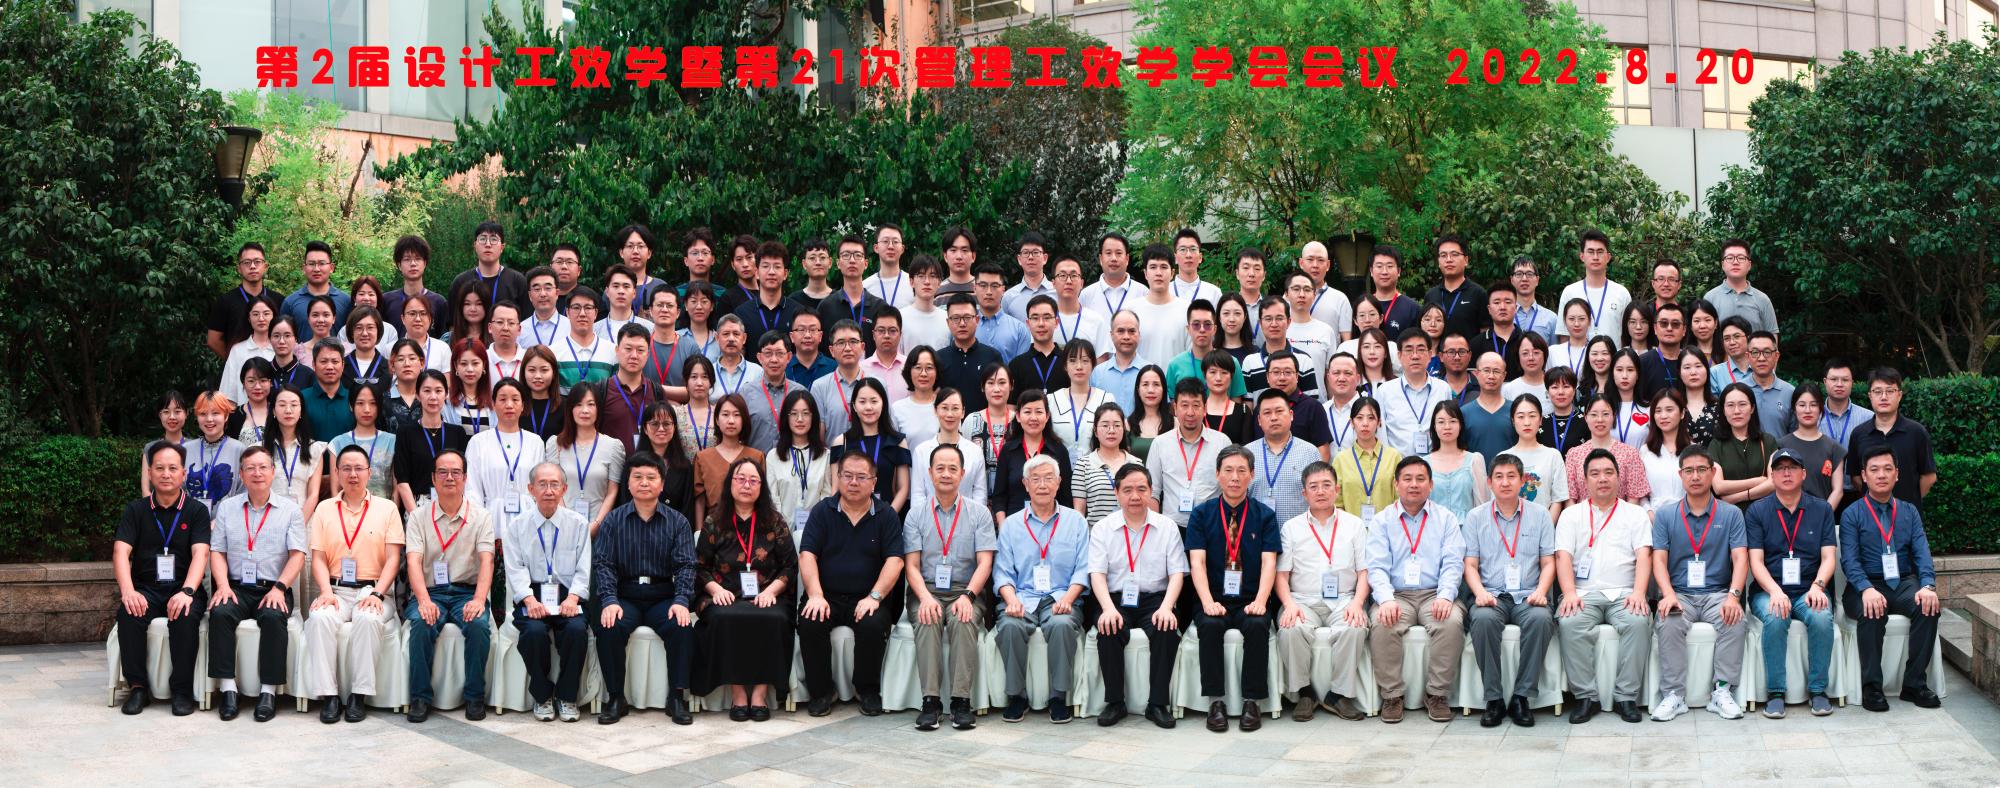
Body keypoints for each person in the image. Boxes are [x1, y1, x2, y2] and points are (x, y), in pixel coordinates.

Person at [591, 453, 698, 725]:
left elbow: (686, 565)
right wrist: (609, 599)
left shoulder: (678, 522)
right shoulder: (613, 521)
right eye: (637, 477)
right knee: (609, 626)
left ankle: (677, 697)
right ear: (628, 483)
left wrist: (681, 600)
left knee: (682, 626)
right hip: (625, 596)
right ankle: (616, 697)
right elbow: (603, 564)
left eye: (651, 477)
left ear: (662, 484)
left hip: (662, 596)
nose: (644, 483)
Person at [798, 451, 907, 717]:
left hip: (868, 596)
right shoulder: (822, 511)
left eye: (861, 477)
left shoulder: (886, 515)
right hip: (827, 595)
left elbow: (895, 561)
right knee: (811, 620)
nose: (853, 482)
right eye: (847, 476)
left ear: (874, 481)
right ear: (838, 477)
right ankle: (822, 692)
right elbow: (807, 555)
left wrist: (875, 596)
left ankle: (866, 690)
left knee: (872, 623)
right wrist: (815, 594)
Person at [1553, 448, 1656, 724]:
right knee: (1569, 622)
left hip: (1624, 593)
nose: (1602, 479)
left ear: (1619, 478)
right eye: (1595, 474)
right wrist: (1569, 593)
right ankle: (1586, 697)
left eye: (1609, 473)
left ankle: (1626, 696)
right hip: (1582, 594)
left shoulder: (1635, 514)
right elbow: (1563, 556)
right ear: (1585, 480)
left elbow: (1644, 555)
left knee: (1638, 622)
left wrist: (1639, 592)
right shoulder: (1571, 515)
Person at [303, 445, 404, 723]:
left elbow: (393, 559)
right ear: (336, 473)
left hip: (374, 590)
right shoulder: (324, 509)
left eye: (359, 468)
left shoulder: (387, 508)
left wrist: (378, 594)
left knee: (368, 618)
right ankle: (329, 695)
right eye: (346, 468)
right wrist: (326, 591)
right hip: (335, 590)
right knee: (319, 617)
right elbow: (318, 558)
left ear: (369, 473)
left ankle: (359, 695)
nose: (353, 474)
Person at [1649, 445, 1750, 721]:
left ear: (1713, 473)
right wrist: (1668, 594)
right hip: (1680, 593)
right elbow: (1659, 560)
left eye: (1702, 470)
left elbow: (1740, 558)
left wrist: (1733, 596)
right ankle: (1674, 695)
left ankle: (1722, 691)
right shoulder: (1666, 515)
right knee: (1668, 621)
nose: (1695, 476)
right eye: (1689, 471)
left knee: (1735, 619)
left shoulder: (1731, 514)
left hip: (1718, 593)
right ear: (1680, 475)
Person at [693, 457, 799, 722]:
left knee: (775, 618)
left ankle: (760, 694)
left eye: (753, 480)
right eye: (740, 479)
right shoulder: (714, 521)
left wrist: (771, 592)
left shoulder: (774, 521)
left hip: (767, 594)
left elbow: (790, 566)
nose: (746, 485)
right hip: (724, 595)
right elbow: (699, 566)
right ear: (730, 483)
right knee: (723, 617)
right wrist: (715, 590)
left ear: (762, 487)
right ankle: (738, 693)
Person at [204, 446, 306, 722]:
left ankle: (268, 692)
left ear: (272, 472)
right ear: (241, 474)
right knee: (220, 613)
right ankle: (228, 689)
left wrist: (280, 589)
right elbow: (217, 551)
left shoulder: (290, 510)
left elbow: (297, 555)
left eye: (263, 467)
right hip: (236, 586)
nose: (257, 473)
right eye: (250, 468)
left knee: (273, 617)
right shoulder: (227, 508)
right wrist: (222, 586)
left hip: (274, 587)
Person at [1839, 446, 1943, 711]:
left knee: (1928, 607)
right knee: (1872, 610)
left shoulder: (1909, 511)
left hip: (1904, 582)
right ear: (1864, 476)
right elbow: (1849, 560)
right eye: (1874, 470)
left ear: (1897, 474)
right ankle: (1872, 688)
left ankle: (1914, 684)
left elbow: (1922, 553)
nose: (1881, 475)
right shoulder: (1852, 513)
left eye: (1888, 469)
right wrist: (1865, 589)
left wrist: (1928, 585)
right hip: (1866, 584)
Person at [900, 445, 996, 731]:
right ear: (930, 473)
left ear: (962, 474)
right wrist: (925, 598)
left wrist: (968, 596)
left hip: (965, 589)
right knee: (928, 619)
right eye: (940, 468)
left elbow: (985, 563)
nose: (946, 474)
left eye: (952, 469)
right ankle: (930, 702)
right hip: (926, 589)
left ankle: (960, 702)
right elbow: (912, 566)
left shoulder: (980, 514)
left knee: (963, 619)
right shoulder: (915, 515)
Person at [1365, 456, 1467, 724]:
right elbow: (1376, 567)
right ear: (1396, 484)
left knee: (1450, 622)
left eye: (1420, 479)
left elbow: (1453, 562)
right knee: (1383, 622)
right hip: (1397, 595)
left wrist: (1445, 595)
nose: (1414, 484)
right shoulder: (1382, 521)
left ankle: (1437, 694)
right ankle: (1392, 695)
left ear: (1431, 485)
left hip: (1434, 592)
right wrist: (1385, 600)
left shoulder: (1445, 519)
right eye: (1407, 479)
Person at [1187, 446, 1282, 732]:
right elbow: (1197, 562)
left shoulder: (1264, 515)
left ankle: (1252, 701)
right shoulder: (1201, 514)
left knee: (1257, 625)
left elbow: (1269, 562)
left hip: (1250, 597)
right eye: (1228, 470)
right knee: (1210, 625)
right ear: (1217, 474)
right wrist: (1207, 602)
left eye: (1242, 471)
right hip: (1213, 596)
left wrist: (1261, 601)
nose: (1235, 477)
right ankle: (1215, 702)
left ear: (1252, 475)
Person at [114, 442, 213, 716]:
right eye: (159, 468)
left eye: (172, 468)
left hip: (183, 587)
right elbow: (120, 551)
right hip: (146, 588)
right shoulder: (136, 510)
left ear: (183, 473)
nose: (166, 474)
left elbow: (201, 553)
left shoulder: (196, 511)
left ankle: (181, 690)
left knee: (184, 616)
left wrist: (188, 591)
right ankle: (138, 688)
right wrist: (128, 591)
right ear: (149, 473)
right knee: (129, 613)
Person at [1087, 465, 1188, 729]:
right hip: (1115, 598)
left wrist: (1167, 607)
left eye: (1141, 489)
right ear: (1116, 492)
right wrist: (1107, 609)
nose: (1135, 496)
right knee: (1108, 628)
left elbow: (1177, 573)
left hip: (1156, 598)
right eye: (1128, 490)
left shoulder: (1167, 527)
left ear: (1151, 491)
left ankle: (1157, 704)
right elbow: (1097, 574)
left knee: (1166, 629)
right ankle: (1115, 702)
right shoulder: (1103, 528)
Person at [1460, 455, 1557, 727]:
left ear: (1522, 480)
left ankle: (1521, 697)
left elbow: (1549, 562)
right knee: (1482, 620)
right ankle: (1494, 698)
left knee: (1541, 619)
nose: (1505, 482)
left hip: (1529, 595)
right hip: (1491, 595)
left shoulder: (1539, 515)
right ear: (1489, 482)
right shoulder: (1476, 517)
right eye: (1499, 477)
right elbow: (1470, 564)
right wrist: (1479, 592)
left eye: (1511, 476)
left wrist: (1541, 591)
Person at [400, 450, 496, 723]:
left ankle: (474, 697)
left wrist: (479, 599)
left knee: (478, 626)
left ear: (465, 478)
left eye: (456, 472)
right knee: (422, 624)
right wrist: (423, 601)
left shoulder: (481, 516)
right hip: (431, 592)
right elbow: (413, 561)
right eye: (443, 472)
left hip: (467, 592)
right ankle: (420, 697)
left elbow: (487, 561)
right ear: (433, 478)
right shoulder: (419, 517)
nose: (449, 477)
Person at [1744, 449, 1838, 719]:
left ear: (1804, 474)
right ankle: (1776, 693)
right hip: (1769, 590)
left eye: (1793, 467)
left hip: (1810, 589)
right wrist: (1775, 591)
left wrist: (1818, 586)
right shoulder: (1757, 511)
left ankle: (1818, 690)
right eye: (1780, 468)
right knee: (1776, 616)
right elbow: (1755, 561)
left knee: (1821, 617)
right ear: (1772, 475)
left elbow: (1829, 557)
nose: (1786, 473)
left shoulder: (1821, 509)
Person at [1272, 462, 1369, 722]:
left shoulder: (1355, 525)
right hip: (1302, 601)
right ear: (1304, 493)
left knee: (1355, 627)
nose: (1321, 491)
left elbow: (1364, 571)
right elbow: (1281, 575)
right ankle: (1305, 693)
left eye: (1327, 485)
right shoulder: (1291, 527)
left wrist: (1358, 603)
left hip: (1344, 599)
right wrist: (1289, 605)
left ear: (1337, 489)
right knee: (1290, 629)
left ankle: (1338, 694)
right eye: (1313, 487)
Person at [503, 462, 593, 723]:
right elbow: (516, 569)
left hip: (567, 595)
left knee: (576, 630)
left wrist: (573, 598)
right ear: (531, 489)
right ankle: (542, 695)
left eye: (555, 484)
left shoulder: (578, 524)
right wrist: (529, 599)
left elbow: (583, 568)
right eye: (542, 484)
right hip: (532, 593)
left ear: (564, 489)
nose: (549, 490)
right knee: (533, 633)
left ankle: (567, 696)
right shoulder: (517, 526)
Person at [1848, 367, 1938, 509]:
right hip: (1870, 514)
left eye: (1890, 391)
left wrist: (1908, 503)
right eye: (1878, 391)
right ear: (1870, 396)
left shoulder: (1917, 432)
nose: (1884, 397)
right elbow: (1856, 478)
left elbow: (1929, 477)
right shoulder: (1859, 434)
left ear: (1899, 395)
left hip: (1907, 515)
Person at [1148, 379, 1232, 529]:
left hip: (1212, 526)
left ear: (1205, 408)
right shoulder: (1160, 444)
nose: (1190, 412)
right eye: (1184, 405)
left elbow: (1229, 487)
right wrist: (1157, 530)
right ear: (1175, 408)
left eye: (1196, 405)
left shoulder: (1222, 442)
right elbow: (1152, 492)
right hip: (1172, 528)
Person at [548, 385, 625, 532]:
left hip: (600, 528)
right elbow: (553, 487)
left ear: (598, 409)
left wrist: (596, 525)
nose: (585, 410)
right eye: (578, 404)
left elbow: (612, 492)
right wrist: (567, 522)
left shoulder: (613, 446)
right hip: (563, 527)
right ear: (570, 409)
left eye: (591, 404)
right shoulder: (555, 444)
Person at [465, 379, 544, 520]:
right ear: (493, 404)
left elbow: (540, 485)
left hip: (528, 518)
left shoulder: (535, 442)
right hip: (490, 517)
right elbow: (472, 489)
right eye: (502, 399)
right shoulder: (478, 442)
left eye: (515, 399)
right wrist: (479, 522)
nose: (509, 405)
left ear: (523, 405)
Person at [393, 371, 471, 511]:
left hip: (453, 505)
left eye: (438, 391)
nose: (433, 397)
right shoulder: (405, 433)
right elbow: (402, 480)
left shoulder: (457, 433)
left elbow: (464, 476)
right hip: (417, 506)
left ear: (446, 394)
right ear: (418, 395)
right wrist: (415, 516)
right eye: (427, 391)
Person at [830, 379, 912, 511]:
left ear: (883, 404)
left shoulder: (897, 442)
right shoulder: (841, 442)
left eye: (874, 401)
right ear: (854, 406)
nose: (868, 407)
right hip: (850, 517)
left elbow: (903, 488)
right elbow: (836, 488)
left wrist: (888, 516)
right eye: (862, 402)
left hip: (887, 516)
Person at [992, 390, 1073, 521]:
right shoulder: (1008, 450)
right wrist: (1003, 526)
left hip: (1051, 524)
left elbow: (1066, 498)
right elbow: (999, 496)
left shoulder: (1059, 451)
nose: (1033, 417)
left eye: (1039, 412)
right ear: (1018, 416)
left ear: (1047, 416)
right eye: (1027, 412)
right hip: (1015, 524)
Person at [912, 387, 988, 517]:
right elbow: (918, 495)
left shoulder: (975, 451)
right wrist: (923, 521)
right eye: (944, 408)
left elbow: (979, 493)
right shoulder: (921, 451)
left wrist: (974, 520)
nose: (949, 414)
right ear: (935, 410)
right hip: (930, 520)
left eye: (955, 408)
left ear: (963, 412)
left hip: (966, 519)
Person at [1563, 396, 1652, 505]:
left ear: (1613, 416)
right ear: (1586, 417)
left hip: (1621, 514)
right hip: (1583, 515)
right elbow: (1571, 498)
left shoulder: (1630, 453)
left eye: (1605, 414)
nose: (1600, 420)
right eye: (1594, 415)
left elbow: (1634, 497)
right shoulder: (1574, 455)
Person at [1247, 390, 1318, 525]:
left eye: (1279, 411)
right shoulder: (1247, 454)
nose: (1274, 417)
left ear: (1291, 415)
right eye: (1267, 413)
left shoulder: (1310, 452)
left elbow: (1317, 498)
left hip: (1298, 534)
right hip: (1256, 533)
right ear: (1259, 420)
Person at [1378, 329, 1450, 456]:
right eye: (1409, 350)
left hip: (1435, 463)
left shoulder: (1443, 389)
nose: (1415, 356)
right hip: (1398, 464)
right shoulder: (1385, 391)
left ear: (1430, 354)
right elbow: (1381, 434)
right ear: (1399, 355)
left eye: (1421, 350)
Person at [767, 391, 831, 533]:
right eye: (794, 414)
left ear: (813, 417)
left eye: (806, 413)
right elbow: (773, 499)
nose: (800, 419)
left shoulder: (825, 456)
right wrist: (782, 531)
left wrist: (816, 529)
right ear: (786, 418)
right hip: (782, 533)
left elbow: (826, 496)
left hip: (817, 533)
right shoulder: (773, 456)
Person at [208, 242, 287, 357]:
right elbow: (213, 340)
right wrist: (234, 361)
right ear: (239, 268)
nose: (253, 266)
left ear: (265, 267)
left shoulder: (279, 300)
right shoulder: (225, 301)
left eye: (257, 261)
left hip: (273, 364)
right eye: (247, 262)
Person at [695, 395, 764, 520]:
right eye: (725, 414)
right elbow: (700, 498)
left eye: (737, 415)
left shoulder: (757, 456)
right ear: (717, 420)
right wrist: (699, 529)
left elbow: (762, 497)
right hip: (714, 525)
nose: (731, 421)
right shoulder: (703, 458)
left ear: (744, 420)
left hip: (749, 524)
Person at [598, 324, 666, 452]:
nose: (634, 355)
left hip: (647, 463)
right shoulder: (601, 390)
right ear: (617, 350)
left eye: (640, 350)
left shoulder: (656, 391)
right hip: (611, 463)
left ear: (648, 354)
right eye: (628, 349)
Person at [1780, 384, 1848, 510]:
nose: (1808, 410)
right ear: (1794, 409)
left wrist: (1822, 515)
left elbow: (1838, 491)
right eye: (1802, 405)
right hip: (1786, 515)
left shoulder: (1834, 448)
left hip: (1822, 516)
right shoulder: (1781, 445)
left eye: (1813, 405)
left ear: (1821, 408)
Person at [820, 236, 890, 356]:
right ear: (838, 263)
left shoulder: (880, 307)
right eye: (846, 255)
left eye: (857, 255)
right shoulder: (826, 307)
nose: (852, 260)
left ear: (866, 263)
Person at [632, 401, 700, 526]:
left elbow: (688, 510)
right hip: (638, 531)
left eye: (667, 424)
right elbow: (625, 505)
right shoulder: (633, 465)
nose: (661, 429)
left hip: (675, 532)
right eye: (654, 424)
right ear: (645, 429)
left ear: (674, 428)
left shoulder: (685, 467)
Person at [1502, 395, 1569, 519]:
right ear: (1513, 420)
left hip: (1544, 525)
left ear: (1541, 420)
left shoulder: (1552, 455)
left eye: (1532, 416)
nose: (1527, 422)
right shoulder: (1503, 458)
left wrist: (1546, 527)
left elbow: (1557, 500)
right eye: (1521, 417)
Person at [1558, 230, 1630, 342]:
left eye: (1600, 252)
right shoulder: (1570, 292)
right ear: (1582, 256)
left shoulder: (1621, 293)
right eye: (1591, 252)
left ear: (1608, 257)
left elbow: (1628, 335)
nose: (1595, 257)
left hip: (1615, 353)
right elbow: (1564, 336)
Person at [1245, 294, 1322, 399]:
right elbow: (1247, 405)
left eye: (1279, 318)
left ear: (1289, 322)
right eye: (1268, 319)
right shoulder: (1250, 362)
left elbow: (1311, 404)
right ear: (1260, 323)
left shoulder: (1304, 360)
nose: (1274, 324)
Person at [1333, 398, 1399, 520]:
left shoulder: (1393, 456)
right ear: (1351, 422)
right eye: (1359, 418)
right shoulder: (1341, 460)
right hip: (1351, 529)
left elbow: (1399, 499)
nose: (1365, 423)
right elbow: (1337, 503)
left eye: (1371, 418)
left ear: (1379, 422)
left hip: (1387, 527)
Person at [935, 294, 1004, 412]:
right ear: (948, 322)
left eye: (967, 317)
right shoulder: (938, 358)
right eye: (955, 318)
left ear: (977, 320)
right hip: (949, 421)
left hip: (984, 422)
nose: (962, 323)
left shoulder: (992, 356)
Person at [1073, 404, 1140, 524]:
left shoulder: (1136, 464)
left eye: (1117, 425)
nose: (1111, 430)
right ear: (1095, 431)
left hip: (1130, 533)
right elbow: (1079, 512)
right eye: (1105, 425)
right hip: (1095, 534)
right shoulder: (1083, 465)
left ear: (1124, 429)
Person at [1424, 401, 1491, 519]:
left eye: (1453, 421)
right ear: (1434, 427)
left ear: (1460, 425)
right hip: (1433, 527)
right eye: (1441, 422)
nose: (1447, 427)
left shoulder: (1474, 460)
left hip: (1467, 528)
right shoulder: (1424, 464)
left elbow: (1483, 505)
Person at [330, 385, 397, 501]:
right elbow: (335, 490)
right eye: (360, 403)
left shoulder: (392, 441)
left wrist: (393, 510)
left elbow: (397, 488)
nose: (367, 409)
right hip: (347, 510)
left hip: (383, 510)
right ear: (351, 406)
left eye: (373, 403)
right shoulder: (337, 443)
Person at [1712, 383, 1777, 504]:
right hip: (1729, 513)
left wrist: (1736, 498)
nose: (1736, 411)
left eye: (1742, 404)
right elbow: (1718, 487)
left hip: (1763, 511)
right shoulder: (1716, 445)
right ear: (1723, 410)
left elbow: (1774, 482)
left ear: (1752, 408)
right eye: (1730, 405)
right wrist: (1758, 481)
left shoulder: (1768, 441)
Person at [1127, 248, 1192, 368]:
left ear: (1172, 273)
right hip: (1140, 379)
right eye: (1153, 267)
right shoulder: (1131, 310)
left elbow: (1191, 355)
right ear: (1145, 273)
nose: (1158, 273)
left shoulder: (1187, 309)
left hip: (1177, 379)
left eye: (1163, 267)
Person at [264, 388, 327, 510]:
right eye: (282, 405)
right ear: (273, 411)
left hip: (303, 516)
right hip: (267, 517)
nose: (288, 410)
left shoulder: (314, 449)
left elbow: (313, 495)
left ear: (301, 410)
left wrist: (299, 521)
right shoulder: (260, 449)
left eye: (294, 405)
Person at [746, 331, 808, 451]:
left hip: (792, 460)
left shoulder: (801, 392)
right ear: (759, 357)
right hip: (756, 461)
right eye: (768, 353)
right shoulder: (746, 393)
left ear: (789, 357)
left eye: (780, 353)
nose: (774, 359)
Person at [185, 391, 247, 510]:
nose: (209, 419)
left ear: (226, 416)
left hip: (229, 518)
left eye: (215, 413)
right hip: (191, 519)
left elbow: (244, 491)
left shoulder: (239, 450)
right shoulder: (186, 449)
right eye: (203, 414)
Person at [1704, 239, 1778, 335]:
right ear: (1723, 265)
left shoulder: (1762, 299)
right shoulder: (1710, 298)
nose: (1735, 262)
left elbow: (1772, 336)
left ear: (1749, 265)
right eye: (1730, 258)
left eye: (1741, 258)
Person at [810, 320, 868, 441]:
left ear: (862, 347)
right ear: (831, 350)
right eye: (841, 343)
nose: (847, 348)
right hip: (833, 452)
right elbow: (817, 436)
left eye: (853, 342)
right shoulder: (820, 386)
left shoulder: (877, 383)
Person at [1049, 339, 1112, 451]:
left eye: (1085, 361)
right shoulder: (1052, 400)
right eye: (1072, 361)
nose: (1079, 366)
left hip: (1096, 461)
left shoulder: (1106, 399)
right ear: (1065, 365)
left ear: (1093, 364)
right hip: (1059, 462)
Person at [1424, 234, 1489, 340]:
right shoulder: (1431, 295)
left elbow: (1485, 334)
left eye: (1454, 254)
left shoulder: (1478, 294)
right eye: (1443, 255)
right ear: (1438, 262)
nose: (1449, 259)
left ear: (1466, 260)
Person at [280, 241, 352, 332]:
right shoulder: (290, 303)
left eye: (322, 263)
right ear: (304, 268)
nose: (316, 269)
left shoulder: (346, 301)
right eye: (311, 264)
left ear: (331, 268)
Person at [1641, 389, 1693, 510]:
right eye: (1658, 411)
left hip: (1687, 515)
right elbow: (1640, 493)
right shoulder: (1645, 451)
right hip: (1655, 515)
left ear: (1682, 413)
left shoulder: (1693, 450)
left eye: (1669, 410)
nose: (1663, 416)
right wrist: (1648, 511)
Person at [1050, 256, 1112, 354]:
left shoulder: (1096, 321)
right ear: (1053, 283)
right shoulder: (1044, 320)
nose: (1068, 281)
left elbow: (1102, 361)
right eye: (1062, 275)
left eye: (1074, 275)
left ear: (1082, 283)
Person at [556, 287, 615, 390]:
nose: (582, 314)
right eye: (576, 308)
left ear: (596, 313)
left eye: (588, 308)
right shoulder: (554, 352)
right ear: (568, 312)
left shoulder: (612, 352)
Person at [220, 299, 277, 404]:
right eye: (255, 314)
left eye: (266, 314)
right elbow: (228, 395)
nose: (261, 318)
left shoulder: (281, 348)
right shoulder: (238, 350)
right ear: (249, 318)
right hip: (243, 412)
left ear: (274, 316)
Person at [1009, 296, 1068, 396]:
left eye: (1047, 318)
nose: (1041, 324)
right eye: (1035, 318)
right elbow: (1011, 404)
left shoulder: (1068, 362)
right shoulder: (1016, 365)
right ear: (1028, 323)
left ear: (1056, 322)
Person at [1463, 351, 1515, 463]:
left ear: (1504, 375)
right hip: (1474, 473)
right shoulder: (1464, 413)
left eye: (1496, 371)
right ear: (1476, 373)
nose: (1491, 376)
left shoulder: (1516, 411)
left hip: (1510, 473)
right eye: (1486, 370)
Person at [1090, 310, 1147, 411]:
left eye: (1132, 331)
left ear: (1139, 334)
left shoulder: (1150, 372)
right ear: (1111, 335)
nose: (1126, 337)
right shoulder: (1097, 374)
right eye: (1120, 331)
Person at [1362, 244, 1424, 338]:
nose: (1384, 272)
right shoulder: (1363, 306)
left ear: (1398, 271)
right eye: (1379, 266)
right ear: (1371, 271)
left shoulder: (1412, 308)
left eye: (1390, 266)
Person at [300, 340, 355, 443]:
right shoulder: (301, 398)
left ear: (343, 365)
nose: (330, 367)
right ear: (314, 365)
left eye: (335, 362)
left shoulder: (354, 399)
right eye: (323, 361)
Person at [1080, 232, 1141, 323]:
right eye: (1108, 253)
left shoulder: (1142, 293)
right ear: (1101, 259)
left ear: (1127, 259)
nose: (1113, 258)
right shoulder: (1086, 295)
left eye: (1118, 253)